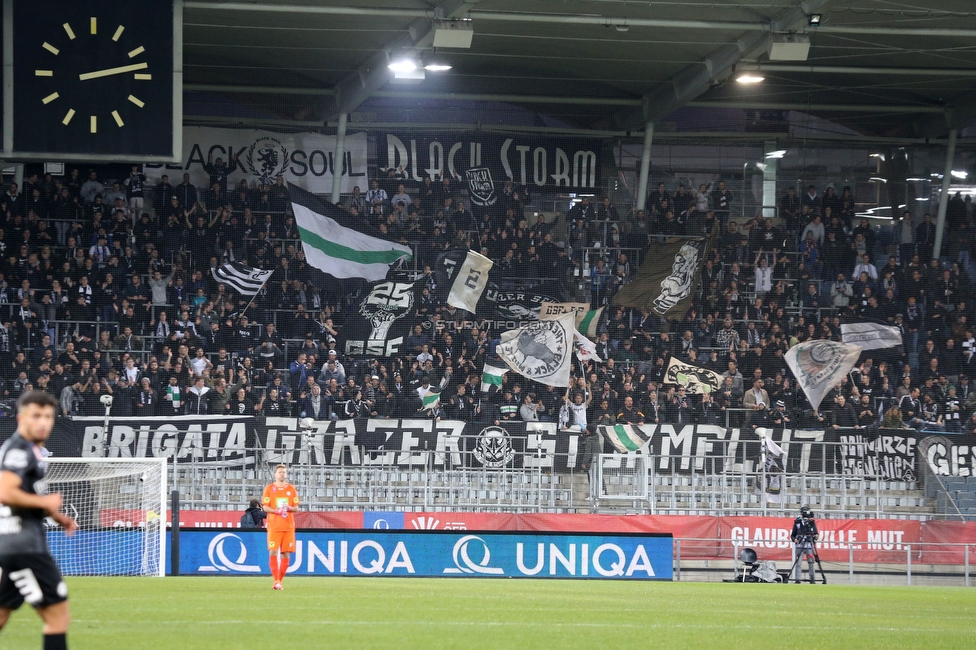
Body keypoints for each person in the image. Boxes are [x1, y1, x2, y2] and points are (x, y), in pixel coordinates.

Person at [0, 391, 78, 650]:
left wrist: (58, 516)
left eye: (48, 416)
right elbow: (5, 492)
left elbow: (27, 495)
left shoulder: (30, 450)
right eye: (36, 416)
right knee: (57, 616)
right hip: (25, 548)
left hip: (11, 545)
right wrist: (46, 503)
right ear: (21, 418)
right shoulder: (19, 450)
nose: (43, 422)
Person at [261, 464, 300, 591]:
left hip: (288, 526)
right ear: (275, 474)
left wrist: (288, 508)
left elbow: (296, 507)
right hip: (274, 526)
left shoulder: (291, 489)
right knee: (273, 551)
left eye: (284, 472)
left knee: (285, 554)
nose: (282, 474)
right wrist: (276, 511)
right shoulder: (269, 489)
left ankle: (278, 582)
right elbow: (265, 507)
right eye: (280, 472)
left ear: (286, 474)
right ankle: (276, 581)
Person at [790, 505, 819, 584]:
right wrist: (795, 540)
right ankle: (797, 579)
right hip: (800, 545)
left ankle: (812, 579)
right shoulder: (797, 522)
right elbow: (792, 535)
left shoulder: (812, 522)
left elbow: (816, 533)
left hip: (809, 545)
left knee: (811, 563)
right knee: (798, 563)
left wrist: (816, 536)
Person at [580, 423, 603, 504]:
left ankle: (593, 494)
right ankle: (603, 492)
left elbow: (588, 452)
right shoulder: (596, 437)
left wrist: (584, 463)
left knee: (591, 477)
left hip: (592, 461)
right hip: (599, 459)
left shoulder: (589, 440)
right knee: (599, 476)